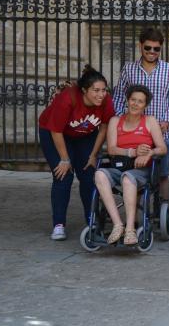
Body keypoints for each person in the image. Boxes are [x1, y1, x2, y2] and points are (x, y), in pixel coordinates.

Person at [39, 65, 115, 240]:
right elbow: (56, 130)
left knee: (89, 175)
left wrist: (93, 155)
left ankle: (92, 220)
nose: (101, 94)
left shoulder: (106, 101)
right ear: (84, 91)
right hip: (55, 133)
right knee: (63, 176)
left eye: (104, 90)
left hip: (85, 135)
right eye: (95, 90)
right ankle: (59, 225)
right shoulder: (67, 98)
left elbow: (103, 128)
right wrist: (65, 159)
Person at [112, 26, 169, 203]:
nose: (152, 52)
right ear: (140, 46)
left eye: (156, 49)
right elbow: (119, 96)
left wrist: (167, 120)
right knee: (137, 172)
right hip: (134, 132)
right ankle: (140, 213)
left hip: (161, 133)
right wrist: (121, 120)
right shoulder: (129, 69)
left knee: (162, 174)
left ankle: (160, 212)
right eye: (148, 47)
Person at [93, 85, 168, 245]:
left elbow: (162, 148)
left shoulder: (150, 121)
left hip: (141, 170)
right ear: (127, 101)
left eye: (140, 102)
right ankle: (118, 225)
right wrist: (133, 152)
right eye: (133, 100)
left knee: (128, 178)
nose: (135, 104)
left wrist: (148, 153)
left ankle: (130, 230)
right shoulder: (115, 121)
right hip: (119, 166)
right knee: (99, 174)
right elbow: (112, 149)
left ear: (145, 106)